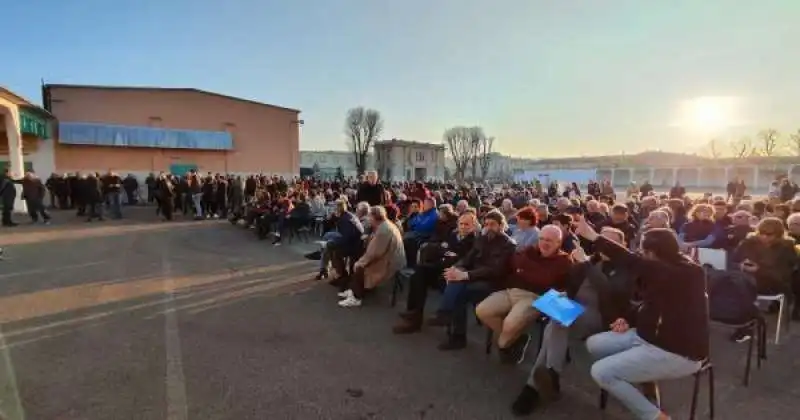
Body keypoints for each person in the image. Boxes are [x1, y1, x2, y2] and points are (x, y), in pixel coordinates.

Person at [573, 215, 708, 420]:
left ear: (654, 253)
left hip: (678, 352)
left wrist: (593, 236)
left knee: (601, 372)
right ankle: (639, 378)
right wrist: (628, 319)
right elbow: (651, 304)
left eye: (644, 252)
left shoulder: (686, 273)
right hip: (648, 336)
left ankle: (654, 416)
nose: (641, 255)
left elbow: (631, 261)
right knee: (594, 344)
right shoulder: (666, 271)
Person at [511, 227, 635, 416]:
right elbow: (571, 287)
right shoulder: (587, 263)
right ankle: (549, 376)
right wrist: (563, 294)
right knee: (555, 323)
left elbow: (610, 292)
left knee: (557, 322)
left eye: (612, 244)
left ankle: (535, 387)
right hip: (575, 312)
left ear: (622, 246)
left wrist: (586, 264)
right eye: (603, 243)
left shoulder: (625, 270)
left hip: (602, 319)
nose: (605, 248)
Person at [476, 224, 573, 365]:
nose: (544, 243)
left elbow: (548, 280)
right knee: (482, 310)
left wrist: (527, 271)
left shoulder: (565, 261)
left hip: (535, 297)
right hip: (512, 290)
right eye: (542, 239)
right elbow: (515, 266)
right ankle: (517, 338)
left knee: (510, 325)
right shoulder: (529, 252)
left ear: (558, 242)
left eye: (549, 240)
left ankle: (504, 344)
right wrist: (530, 272)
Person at [435, 210, 516, 351]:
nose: (489, 227)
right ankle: (450, 322)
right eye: (487, 224)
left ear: (502, 225)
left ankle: (449, 322)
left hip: (494, 283)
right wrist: (456, 269)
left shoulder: (508, 245)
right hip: (475, 277)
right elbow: (468, 259)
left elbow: (494, 270)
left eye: (493, 224)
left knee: (460, 292)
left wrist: (466, 275)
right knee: (455, 282)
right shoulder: (482, 239)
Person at [392, 212, 479, 334]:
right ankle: (414, 315)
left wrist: (447, 254)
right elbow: (441, 250)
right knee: (419, 273)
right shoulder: (453, 235)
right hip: (440, 268)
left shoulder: (475, 242)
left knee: (427, 275)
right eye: (461, 224)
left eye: (467, 224)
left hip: (454, 276)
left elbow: (463, 260)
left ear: (474, 226)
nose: (463, 227)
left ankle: (418, 318)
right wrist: (446, 253)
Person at [338, 206, 405, 307]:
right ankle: (353, 289)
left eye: (370, 217)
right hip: (392, 258)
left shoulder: (384, 230)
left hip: (390, 263)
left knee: (359, 265)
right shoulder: (385, 225)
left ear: (375, 217)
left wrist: (360, 263)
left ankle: (356, 297)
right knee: (359, 259)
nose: (368, 219)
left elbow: (374, 253)